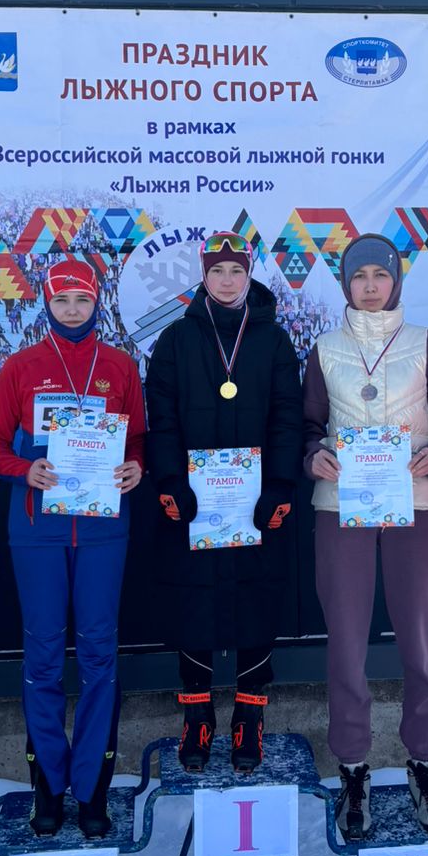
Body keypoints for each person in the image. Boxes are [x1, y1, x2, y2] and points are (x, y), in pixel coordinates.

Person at [303, 234, 428, 838]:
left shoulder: (424, 344)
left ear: (396, 281)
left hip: (414, 504)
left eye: (380, 274)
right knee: (346, 644)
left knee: (420, 641)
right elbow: (306, 426)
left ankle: (423, 763)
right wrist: (313, 455)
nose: (370, 286)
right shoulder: (325, 348)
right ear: (345, 285)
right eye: (359, 276)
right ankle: (353, 768)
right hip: (341, 507)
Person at [0, 258, 145, 838]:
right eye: (61, 301)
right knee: (44, 655)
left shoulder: (120, 366)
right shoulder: (21, 367)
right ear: (46, 304)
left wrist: (135, 467)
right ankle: (48, 785)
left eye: (82, 300)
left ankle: (93, 787)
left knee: (100, 655)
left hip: (102, 530)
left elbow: (138, 440)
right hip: (38, 533)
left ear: (97, 302)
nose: (72, 311)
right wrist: (25, 470)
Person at [145, 233, 302, 773]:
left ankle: (248, 717)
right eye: (217, 271)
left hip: (255, 502)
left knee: (257, 601)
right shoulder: (175, 340)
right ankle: (197, 716)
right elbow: (162, 416)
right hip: (195, 504)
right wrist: (169, 480)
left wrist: (280, 485)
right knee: (194, 604)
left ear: (249, 274)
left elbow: (287, 416)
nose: (227, 281)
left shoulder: (274, 340)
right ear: (204, 276)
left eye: (236, 271)